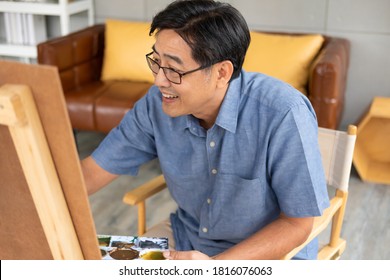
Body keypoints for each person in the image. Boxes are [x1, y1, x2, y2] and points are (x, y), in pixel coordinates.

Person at [81, 0, 329, 260]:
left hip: (270, 254)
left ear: (222, 72)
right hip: (188, 237)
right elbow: (91, 172)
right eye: (156, 61)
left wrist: (214, 268)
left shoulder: (284, 112)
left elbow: (297, 224)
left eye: (174, 69)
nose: (158, 80)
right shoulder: (156, 105)